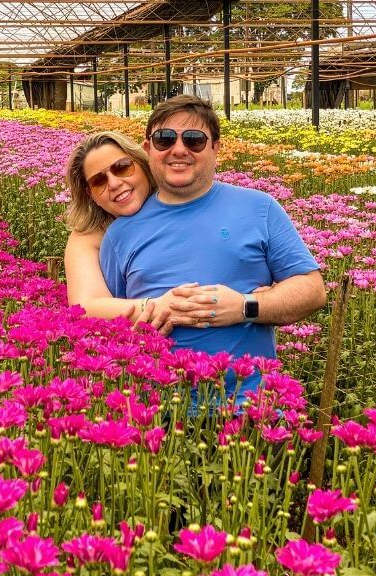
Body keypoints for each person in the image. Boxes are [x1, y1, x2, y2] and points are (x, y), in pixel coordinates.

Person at [98, 95, 326, 400]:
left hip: (248, 409)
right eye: (165, 139)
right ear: (148, 147)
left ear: (216, 148)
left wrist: (245, 307)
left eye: (194, 140)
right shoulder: (120, 233)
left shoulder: (259, 208)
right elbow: (110, 323)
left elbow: (312, 291)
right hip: (153, 413)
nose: (178, 149)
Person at [64, 130, 219, 331]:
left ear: (143, 165)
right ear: (90, 194)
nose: (114, 183)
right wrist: (156, 307)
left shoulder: (183, 203)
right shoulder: (87, 236)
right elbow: (85, 306)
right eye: (98, 181)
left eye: (122, 168)